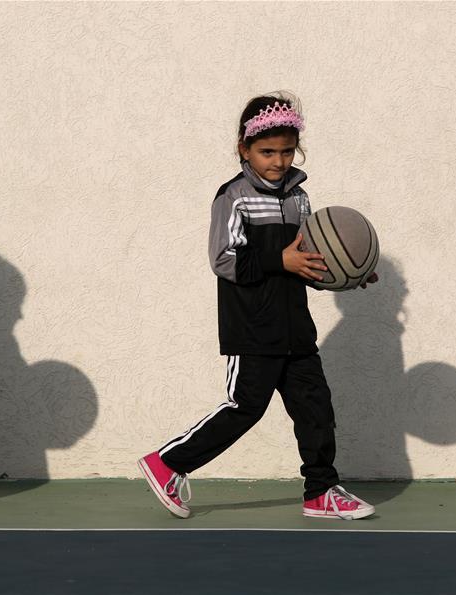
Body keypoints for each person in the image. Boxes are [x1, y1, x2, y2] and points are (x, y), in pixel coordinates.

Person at [138, 93, 377, 520]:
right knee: (245, 408)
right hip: (253, 328)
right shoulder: (234, 197)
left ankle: (321, 490)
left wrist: (347, 275)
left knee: (315, 406)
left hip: (295, 329)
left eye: (287, 151)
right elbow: (223, 260)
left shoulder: (300, 200)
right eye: (267, 152)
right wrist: (276, 259)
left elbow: (304, 264)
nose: (279, 161)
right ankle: (167, 463)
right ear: (243, 149)